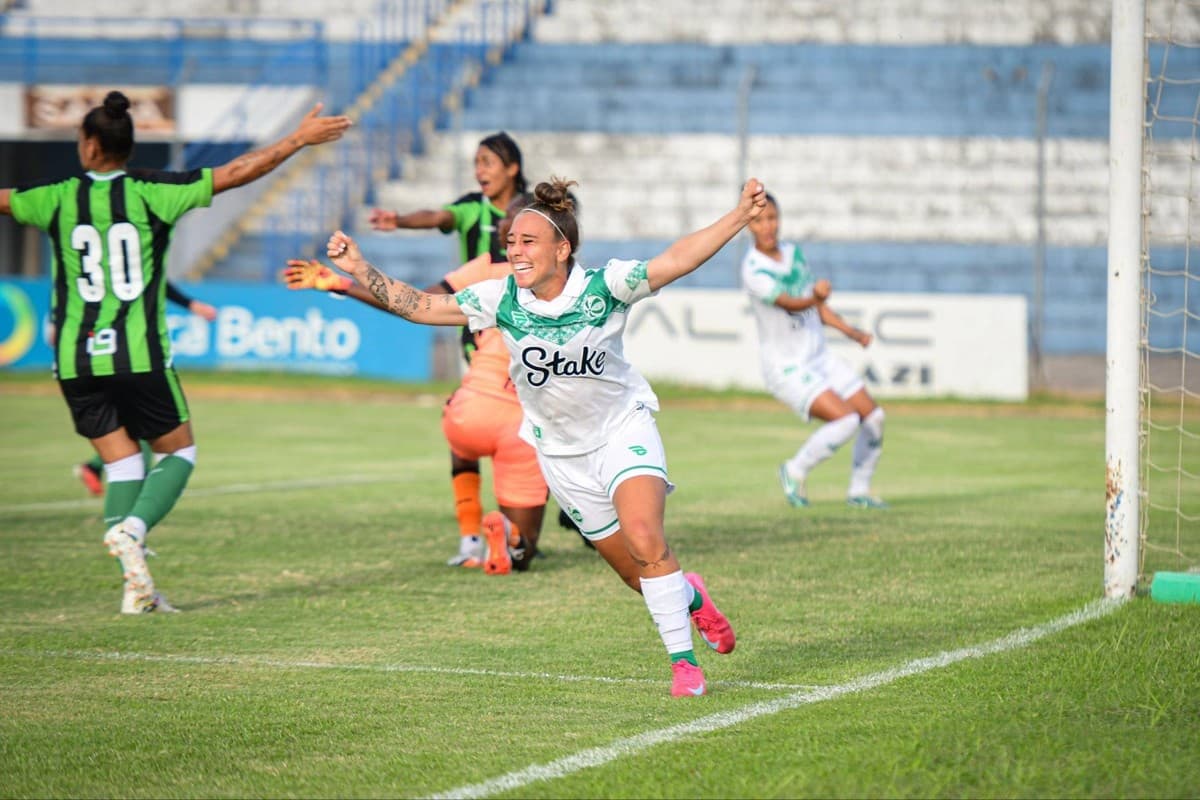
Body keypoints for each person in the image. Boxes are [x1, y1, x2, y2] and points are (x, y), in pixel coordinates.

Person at [312, 175, 768, 697]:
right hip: (560, 454)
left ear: (562, 248)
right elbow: (421, 306)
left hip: (622, 429)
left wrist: (738, 217)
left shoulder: (606, 287)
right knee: (636, 576)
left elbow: (677, 259)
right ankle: (690, 598)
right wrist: (357, 269)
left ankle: (684, 666)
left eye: (527, 242)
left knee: (646, 538)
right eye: (510, 243)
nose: (515, 251)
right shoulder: (500, 297)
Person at [0, 89, 351, 613]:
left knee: (120, 466)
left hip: (74, 358)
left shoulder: (53, 196)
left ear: (92, 146)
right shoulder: (152, 191)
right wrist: (297, 139)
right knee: (179, 451)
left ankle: (134, 590)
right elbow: (236, 173)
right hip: (137, 354)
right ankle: (135, 529)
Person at [284, 193, 547, 574]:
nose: (504, 230)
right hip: (522, 419)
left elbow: (415, 303)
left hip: (470, 403)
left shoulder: (489, 271)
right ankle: (516, 533)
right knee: (527, 539)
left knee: (464, 436)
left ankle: (471, 539)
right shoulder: (571, 286)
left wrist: (346, 282)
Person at [368, 132, 528, 563]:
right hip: (480, 334)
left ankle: (520, 527)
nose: (480, 170)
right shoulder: (472, 210)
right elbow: (437, 216)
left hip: (528, 336)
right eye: (476, 162)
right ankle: (476, 536)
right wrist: (399, 221)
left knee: (516, 432)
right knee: (485, 432)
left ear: (512, 168)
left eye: (487, 162)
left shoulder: (531, 212)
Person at [740, 193, 886, 509]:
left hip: (820, 356)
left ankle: (859, 491)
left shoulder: (794, 253)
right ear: (748, 225)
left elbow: (814, 305)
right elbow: (791, 303)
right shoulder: (753, 268)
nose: (767, 226)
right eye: (759, 220)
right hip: (787, 367)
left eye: (772, 218)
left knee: (874, 418)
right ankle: (794, 470)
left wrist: (851, 331)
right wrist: (817, 298)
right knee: (846, 421)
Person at [73, 281, 218, 496]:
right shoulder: (131, 265)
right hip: (133, 354)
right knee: (154, 426)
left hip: (89, 354)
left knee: (137, 425)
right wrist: (190, 304)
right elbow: (150, 276)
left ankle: (99, 468)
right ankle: (138, 495)